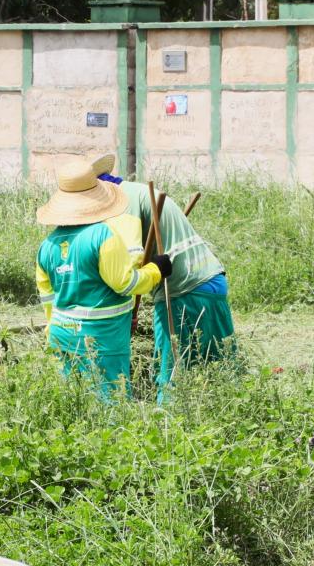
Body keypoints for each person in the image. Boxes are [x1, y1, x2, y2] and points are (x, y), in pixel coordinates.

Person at [87, 151, 236, 400]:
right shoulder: (137, 191)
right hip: (212, 280)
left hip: (181, 292)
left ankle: (166, 427)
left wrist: (126, 312)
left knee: (172, 374)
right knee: (218, 366)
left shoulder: (122, 203)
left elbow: (132, 264)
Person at [34, 157, 170, 400]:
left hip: (61, 334)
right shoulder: (103, 235)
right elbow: (125, 283)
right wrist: (155, 270)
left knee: (73, 398)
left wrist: (53, 328)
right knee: (111, 399)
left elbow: (48, 297)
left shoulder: (47, 246)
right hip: (102, 337)